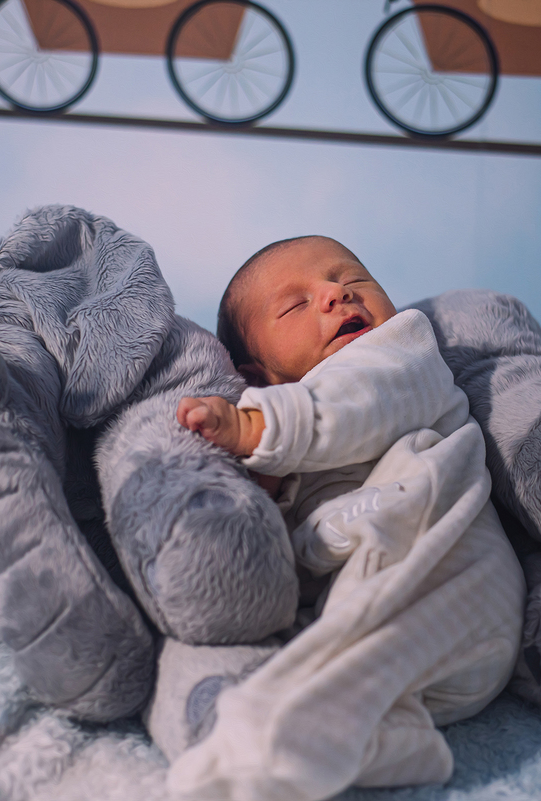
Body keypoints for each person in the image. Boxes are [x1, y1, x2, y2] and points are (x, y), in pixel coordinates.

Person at [167, 236, 523, 801]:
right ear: (258, 374)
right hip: (401, 640)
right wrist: (267, 489)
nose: (336, 293)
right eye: (296, 304)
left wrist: (254, 430)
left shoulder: (401, 353)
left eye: (352, 280)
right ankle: (402, 744)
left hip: (450, 569)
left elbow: (352, 404)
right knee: (332, 663)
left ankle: (255, 759)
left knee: (327, 673)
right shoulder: (291, 422)